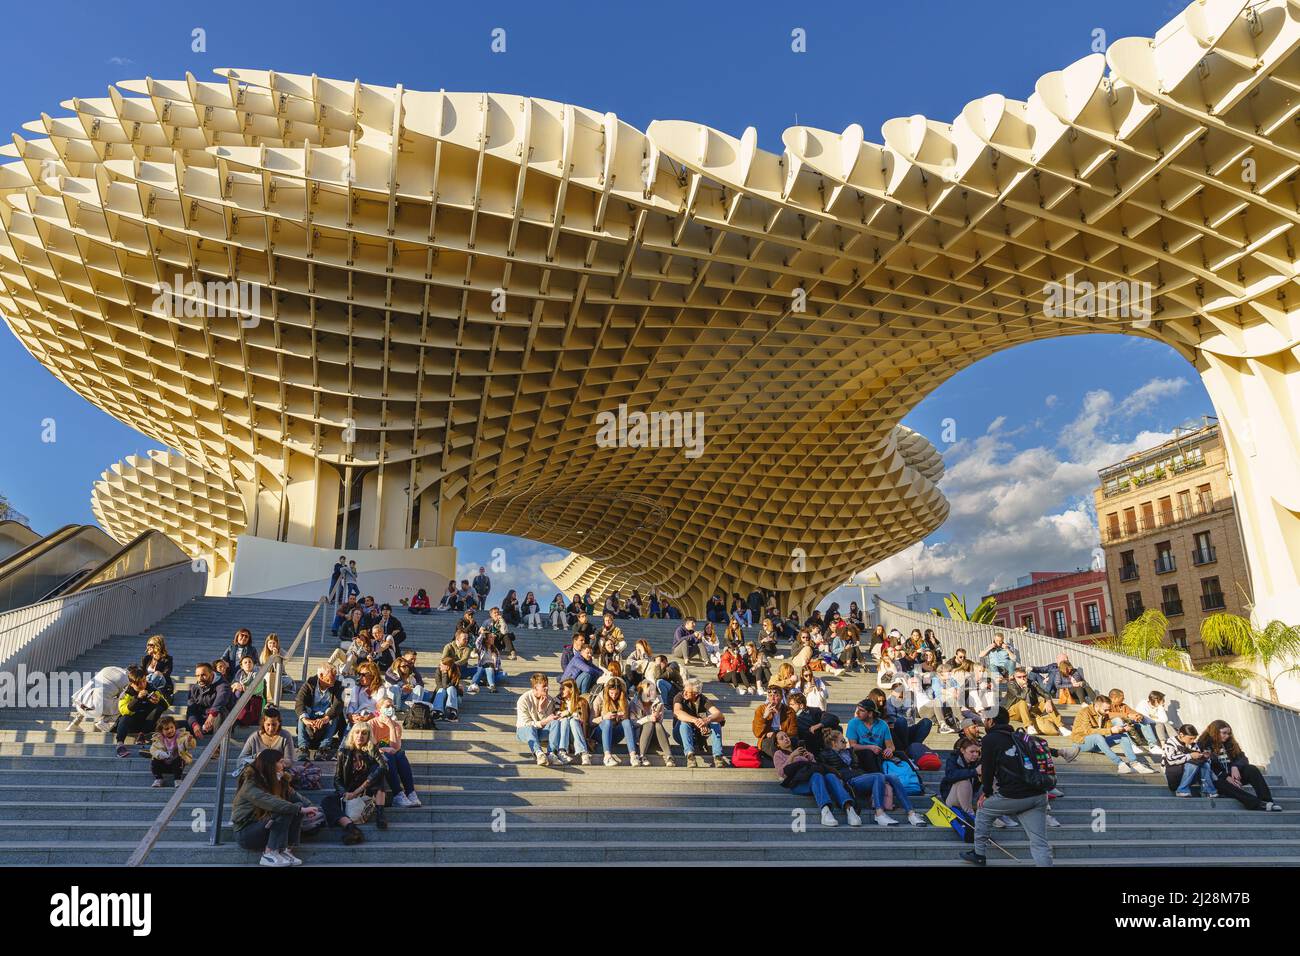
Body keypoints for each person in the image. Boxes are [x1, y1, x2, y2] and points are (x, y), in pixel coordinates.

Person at [960, 708, 1054, 867]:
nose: (984, 723)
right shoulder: (1020, 736)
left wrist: (987, 793)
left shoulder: (990, 739)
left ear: (991, 721)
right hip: (1038, 795)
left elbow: (987, 770)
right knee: (1039, 842)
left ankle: (979, 853)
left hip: (1013, 795)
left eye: (985, 720)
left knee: (983, 809)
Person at [232, 749, 316, 866]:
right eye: (280, 762)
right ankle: (269, 853)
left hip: (266, 826)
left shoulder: (279, 780)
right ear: (270, 764)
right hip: (247, 832)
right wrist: (299, 809)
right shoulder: (251, 783)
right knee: (286, 809)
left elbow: (296, 797)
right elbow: (273, 803)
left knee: (297, 806)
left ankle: (285, 850)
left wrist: (311, 808)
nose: (284, 765)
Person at [773, 730, 863, 827]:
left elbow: (815, 766)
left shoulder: (800, 750)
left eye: (786, 736)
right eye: (781, 738)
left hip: (814, 779)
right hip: (798, 783)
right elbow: (782, 773)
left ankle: (849, 809)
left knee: (830, 776)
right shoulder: (779, 754)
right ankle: (825, 811)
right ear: (777, 744)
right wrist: (792, 756)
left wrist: (810, 758)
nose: (786, 739)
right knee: (817, 776)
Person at [321, 723, 391, 844]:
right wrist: (345, 793)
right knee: (326, 801)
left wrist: (357, 792)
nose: (360, 736)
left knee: (379, 771)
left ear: (368, 736)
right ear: (352, 734)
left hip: (367, 791)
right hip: (348, 791)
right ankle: (351, 829)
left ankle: (380, 813)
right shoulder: (343, 752)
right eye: (357, 732)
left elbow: (384, 766)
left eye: (364, 733)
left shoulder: (372, 750)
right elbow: (337, 779)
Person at [1199, 720, 1283, 811]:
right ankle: (1257, 804)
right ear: (1214, 732)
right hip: (1216, 779)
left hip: (1234, 776)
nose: (1227, 736)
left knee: (1251, 769)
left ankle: (1267, 800)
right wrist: (1226, 776)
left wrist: (1235, 767)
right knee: (1222, 783)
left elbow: (1243, 758)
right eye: (1224, 733)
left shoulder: (1231, 743)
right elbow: (1207, 766)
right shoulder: (1203, 745)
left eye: (1228, 733)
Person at [1070, 695, 1155, 774]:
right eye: (1105, 710)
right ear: (1096, 706)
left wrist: (1122, 729)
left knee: (1123, 736)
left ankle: (1134, 763)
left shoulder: (1104, 714)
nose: (1107, 712)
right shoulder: (1084, 712)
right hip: (1081, 743)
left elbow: (1109, 727)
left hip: (1099, 743)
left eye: (1109, 710)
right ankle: (1120, 763)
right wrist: (1111, 730)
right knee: (1097, 737)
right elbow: (1088, 731)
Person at [371, 698, 420, 807]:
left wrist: (391, 727)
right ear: (379, 709)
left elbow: (396, 747)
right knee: (389, 755)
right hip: (373, 758)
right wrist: (384, 749)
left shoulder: (396, 726)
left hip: (391, 757)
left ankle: (410, 792)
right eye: (387, 706)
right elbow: (371, 747)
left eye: (392, 706)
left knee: (400, 754)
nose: (391, 709)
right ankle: (397, 794)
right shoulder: (372, 724)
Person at [114, 666, 171, 757]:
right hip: (132, 722)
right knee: (124, 718)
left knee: (158, 708)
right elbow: (123, 710)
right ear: (132, 684)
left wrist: (159, 700)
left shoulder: (151, 688)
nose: (142, 685)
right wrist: (137, 699)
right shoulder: (127, 692)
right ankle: (120, 745)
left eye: (144, 681)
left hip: (148, 723)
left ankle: (142, 735)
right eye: (138, 683)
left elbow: (166, 705)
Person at [673, 677, 728, 768]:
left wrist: (706, 720)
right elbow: (677, 712)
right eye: (684, 690)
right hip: (680, 733)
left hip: (698, 735)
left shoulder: (703, 699)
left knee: (715, 723)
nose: (684, 693)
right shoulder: (680, 696)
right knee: (684, 722)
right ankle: (690, 755)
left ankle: (717, 756)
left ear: (696, 694)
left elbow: (720, 715)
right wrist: (695, 720)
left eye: (688, 692)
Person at [295, 664, 345, 758]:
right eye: (332, 676)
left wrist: (326, 718)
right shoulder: (310, 683)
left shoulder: (338, 686)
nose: (335, 678)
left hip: (326, 716)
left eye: (335, 675)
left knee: (335, 715)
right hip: (311, 716)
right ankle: (303, 747)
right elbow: (299, 702)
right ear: (321, 676)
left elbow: (338, 705)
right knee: (302, 714)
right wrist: (306, 720)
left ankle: (324, 748)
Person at [592, 677, 643, 766]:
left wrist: (622, 717)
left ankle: (633, 755)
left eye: (616, 694)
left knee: (627, 722)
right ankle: (607, 756)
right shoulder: (599, 699)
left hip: (616, 733)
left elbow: (629, 721)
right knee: (608, 721)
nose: (614, 696)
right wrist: (604, 717)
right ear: (607, 691)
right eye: (611, 693)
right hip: (600, 732)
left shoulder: (624, 700)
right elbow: (591, 722)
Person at [1003, 667, 1068, 737]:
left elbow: (1045, 693)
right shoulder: (1011, 684)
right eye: (1019, 677)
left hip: (1030, 711)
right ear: (1015, 677)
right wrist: (1025, 687)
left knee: (1045, 701)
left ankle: (1061, 727)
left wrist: (1048, 701)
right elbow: (1021, 696)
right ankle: (1029, 726)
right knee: (1022, 702)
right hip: (1014, 713)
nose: (1023, 679)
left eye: (1024, 676)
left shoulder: (1032, 683)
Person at [516, 673, 563, 766]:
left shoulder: (549, 700)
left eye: (547, 685)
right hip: (524, 731)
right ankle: (539, 754)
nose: (547, 688)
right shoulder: (524, 699)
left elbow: (548, 722)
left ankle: (551, 754)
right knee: (530, 728)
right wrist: (543, 721)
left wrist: (541, 710)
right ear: (535, 688)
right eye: (544, 686)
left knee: (555, 723)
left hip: (540, 732)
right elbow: (525, 723)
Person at [1163, 724, 1215, 797]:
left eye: (1194, 738)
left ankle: (1208, 790)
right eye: (1190, 738)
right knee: (1192, 764)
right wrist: (1190, 755)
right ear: (1181, 735)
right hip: (1172, 774)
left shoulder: (1193, 744)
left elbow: (1199, 758)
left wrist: (1204, 756)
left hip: (1189, 774)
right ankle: (1181, 790)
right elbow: (1170, 760)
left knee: (1204, 764)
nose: (1193, 741)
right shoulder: (1170, 742)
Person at [184, 662, 232, 741]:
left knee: (220, 713)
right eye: (197, 676)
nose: (200, 679)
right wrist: (194, 725)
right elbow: (191, 710)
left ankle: (217, 747)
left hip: (219, 722)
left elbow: (221, 700)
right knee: (175, 725)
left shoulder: (223, 685)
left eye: (203, 675)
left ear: (212, 673)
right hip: (202, 721)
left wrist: (211, 715)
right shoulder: (194, 688)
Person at [844, 699, 894, 774]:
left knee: (899, 755)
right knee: (868, 753)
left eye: (861, 711)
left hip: (878, 754)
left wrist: (889, 750)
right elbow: (853, 746)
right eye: (858, 710)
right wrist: (870, 747)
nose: (857, 713)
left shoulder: (883, 724)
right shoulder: (853, 723)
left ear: (870, 713)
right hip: (860, 754)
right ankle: (879, 776)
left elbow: (891, 746)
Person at [634, 679, 674, 766]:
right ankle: (642, 756)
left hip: (656, 735)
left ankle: (669, 756)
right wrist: (648, 718)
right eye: (648, 693)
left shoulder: (659, 701)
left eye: (653, 691)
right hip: (639, 736)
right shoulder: (634, 702)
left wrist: (657, 717)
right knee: (649, 723)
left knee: (657, 724)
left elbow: (660, 720)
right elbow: (633, 723)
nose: (651, 695)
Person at [147, 714, 195, 787]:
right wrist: (161, 754)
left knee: (179, 759)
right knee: (154, 760)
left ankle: (177, 779)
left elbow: (188, 745)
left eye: (172, 727)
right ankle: (158, 779)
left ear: (175, 726)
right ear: (161, 731)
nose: (170, 730)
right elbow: (153, 749)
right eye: (166, 729)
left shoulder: (181, 735)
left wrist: (189, 741)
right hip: (164, 763)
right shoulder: (158, 739)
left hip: (177, 764)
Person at [941, 738, 983, 815]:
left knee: (993, 780)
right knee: (964, 781)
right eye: (972, 751)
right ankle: (970, 814)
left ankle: (996, 814)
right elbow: (950, 776)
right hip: (953, 799)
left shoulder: (979, 761)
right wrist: (975, 771)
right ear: (962, 750)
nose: (975, 754)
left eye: (977, 752)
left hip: (973, 798)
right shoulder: (953, 759)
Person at [555, 677, 592, 765]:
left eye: (563, 689)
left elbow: (583, 720)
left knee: (573, 721)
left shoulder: (581, 702)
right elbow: (556, 717)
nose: (561, 691)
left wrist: (568, 713)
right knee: (565, 720)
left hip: (577, 734)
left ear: (571, 689)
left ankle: (583, 754)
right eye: (560, 689)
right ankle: (562, 751)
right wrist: (567, 715)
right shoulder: (558, 700)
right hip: (563, 734)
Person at [752, 687, 798, 758]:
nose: (772, 698)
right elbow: (757, 733)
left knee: (794, 741)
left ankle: (787, 758)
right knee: (768, 743)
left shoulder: (789, 711)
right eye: (770, 696)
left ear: (782, 697)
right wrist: (764, 717)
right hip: (769, 739)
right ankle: (784, 758)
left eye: (776, 695)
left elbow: (793, 731)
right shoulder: (761, 709)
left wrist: (778, 735)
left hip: (785, 737)